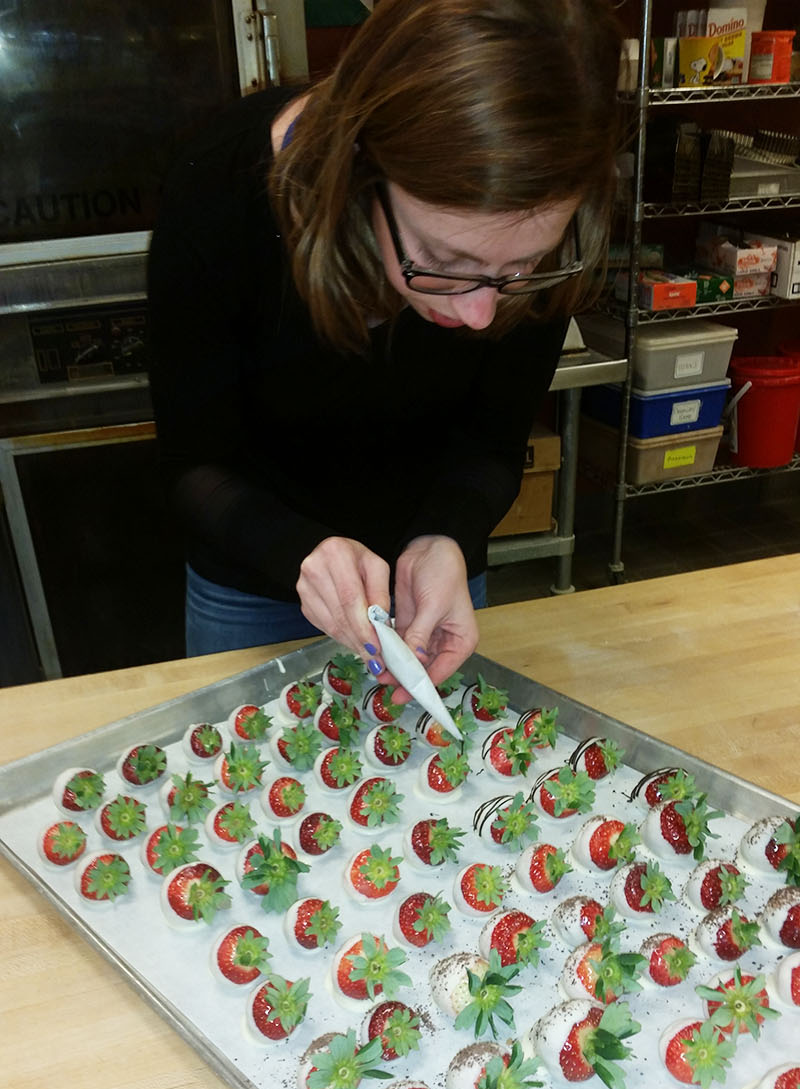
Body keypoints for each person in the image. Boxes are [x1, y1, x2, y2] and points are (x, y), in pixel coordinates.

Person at [147, 0, 623, 695]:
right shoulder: (218, 193)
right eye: (444, 259)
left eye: (521, 268)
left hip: (433, 580)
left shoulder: (548, 202)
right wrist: (294, 549)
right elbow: (193, 462)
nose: (482, 311)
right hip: (248, 583)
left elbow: (493, 440)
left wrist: (448, 536)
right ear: (359, 170)